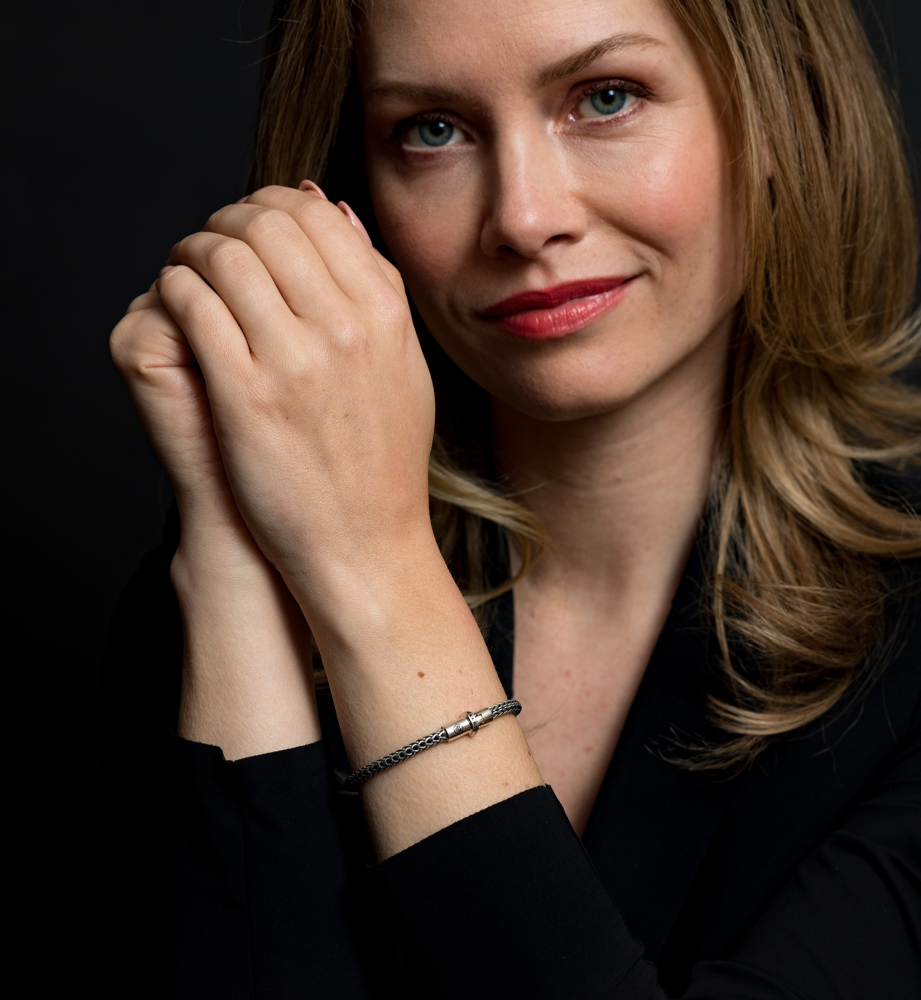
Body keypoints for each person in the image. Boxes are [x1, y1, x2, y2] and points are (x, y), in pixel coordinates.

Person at [105, 0, 920, 995]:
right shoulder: (215, 596)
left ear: (782, 114)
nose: (525, 218)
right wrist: (236, 546)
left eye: (606, 98)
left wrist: (378, 572)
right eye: (431, 130)